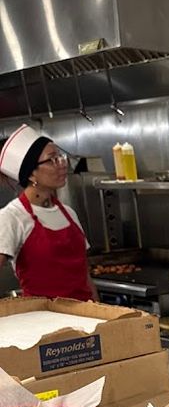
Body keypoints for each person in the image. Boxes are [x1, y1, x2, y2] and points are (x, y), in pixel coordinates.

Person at [0, 123, 95, 301]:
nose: (62, 164)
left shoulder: (69, 213)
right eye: (52, 160)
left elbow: (85, 276)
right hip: (43, 320)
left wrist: (101, 312)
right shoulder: (12, 217)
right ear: (31, 174)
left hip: (86, 316)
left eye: (61, 157)